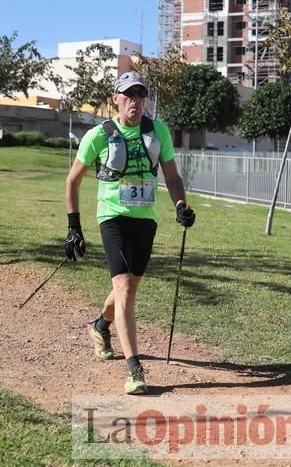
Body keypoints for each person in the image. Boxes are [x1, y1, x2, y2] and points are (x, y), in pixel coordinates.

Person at [65, 71, 195, 395]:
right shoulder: (99, 135)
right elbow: (73, 181)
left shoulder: (158, 131)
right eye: (128, 94)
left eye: (140, 94)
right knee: (123, 288)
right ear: (116, 98)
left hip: (145, 219)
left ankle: (100, 326)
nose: (135, 100)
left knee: (130, 288)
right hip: (113, 217)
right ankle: (134, 369)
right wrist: (73, 227)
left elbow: (172, 175)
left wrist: (180, 204)